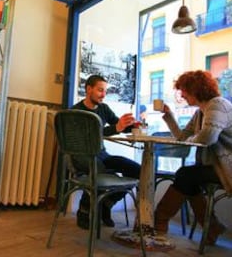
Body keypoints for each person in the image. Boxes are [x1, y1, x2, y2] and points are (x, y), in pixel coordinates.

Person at [154, 70, 232, 244]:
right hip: (216, 166)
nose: (181, 94)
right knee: (187, 178)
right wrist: (169, 117)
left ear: (195, 89)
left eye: (184, 90)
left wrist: (192, 138)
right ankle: (211, 227)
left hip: (227, 168)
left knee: (186, 175)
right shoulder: (200, 113)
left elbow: (208, 138)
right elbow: (183, 139)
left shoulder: (217, 105)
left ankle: (159, 220)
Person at [72, 74, 141, 229]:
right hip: (82, 156)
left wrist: (133, 125)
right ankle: (83, 211)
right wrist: (117, 128)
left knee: (138, 171)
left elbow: (117, 125)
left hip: (102, 155)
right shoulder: (76, 111)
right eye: (100, 90)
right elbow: (89, 136)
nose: (104, 94)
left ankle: (106, 204)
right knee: (100, 171)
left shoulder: (103, 108)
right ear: (88, 89)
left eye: (105, 91)